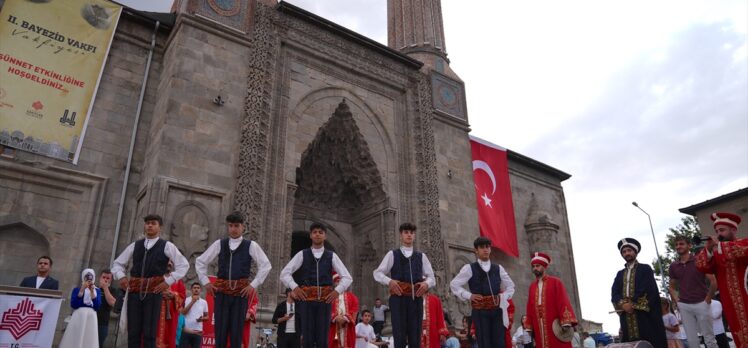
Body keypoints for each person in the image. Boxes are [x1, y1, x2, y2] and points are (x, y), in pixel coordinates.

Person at [195, 212, 272, 348]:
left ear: (243, 227)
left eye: (236, 226)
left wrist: (253, 285)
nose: (233, 229)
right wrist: (206, 282)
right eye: (230, 226)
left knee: (237, 333)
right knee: (220, 332)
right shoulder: (220, 244)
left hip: (240, 294)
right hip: (222, 293)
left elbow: (266, 265)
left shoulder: (251, 245)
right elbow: (200, 262)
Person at [111, 214, 189, 348]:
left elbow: (184, 265)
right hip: (135, 292)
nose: (150, 226)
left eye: (153, 223)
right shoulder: (135, 245)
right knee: (133, 332)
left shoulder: (166, 246)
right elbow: (117, 263)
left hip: (154, 293)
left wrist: (168, 281)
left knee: (150, 333)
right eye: (147, 223)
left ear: (160, 227)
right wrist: (121, 276)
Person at [280, 222, 353, 348]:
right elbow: (284, 273)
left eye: (320, 232)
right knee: (307, 338)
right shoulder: (303, 254)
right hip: (306, 301)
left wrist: (337, 291)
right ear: (311, 235)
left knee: (322, 339)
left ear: (325, 236)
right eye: (315, 232)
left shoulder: (332, 256)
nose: (317, 234)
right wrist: (295, 288)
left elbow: (347, 277)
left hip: (325, 302)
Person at [374, 223, 437, 348]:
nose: (409, 235)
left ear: (414, 236)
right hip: (398, 299)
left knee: (415, 336)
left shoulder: (421, 256)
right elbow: (377, 273)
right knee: (399, 335)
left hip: (416, 299)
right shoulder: (393, 254)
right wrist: (390, 282)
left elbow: (432, 278)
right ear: (401, 235)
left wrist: (426, 283)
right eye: (406, 232)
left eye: (412, 233)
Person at [450, 236, 515, 348]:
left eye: (487, 247)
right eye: (482, 247)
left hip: (497, 310)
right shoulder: (469, 268)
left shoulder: (498, 268)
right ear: (476, 250)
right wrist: (469, 295)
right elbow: (454, 285)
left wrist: (502, 297)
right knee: (484, 343)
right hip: (480, 311)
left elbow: (511, 287)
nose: (485, 249)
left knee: (499, 343)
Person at [696, 212, 748, 347]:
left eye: (722, 230)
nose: (718, 233)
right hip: (729, 301)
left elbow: (739, 251)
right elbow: (702, 267)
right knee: (739, 334)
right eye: (716, 231)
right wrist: (707, 249)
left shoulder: (744, 243)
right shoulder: (717, 252)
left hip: (746, 296)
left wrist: (718, 245)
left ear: (734, 230)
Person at [611, 238, 667, 348]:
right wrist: (623, 304)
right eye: (624, 251)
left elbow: (647, 289)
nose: (627, 253)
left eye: (629, 250)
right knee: (630, 344)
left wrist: (632, 304)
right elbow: (614, 292)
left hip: (643, 314)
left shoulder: (645, 269)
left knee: (649, 341)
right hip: (626, 316)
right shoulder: (619, 274)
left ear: (635, 252)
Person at [667, 235, 718, 348]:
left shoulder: (699, 260)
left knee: (709, 339)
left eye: (681, 244)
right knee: (692, 340)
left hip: (702, 302)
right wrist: (677, 300)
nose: (678, 246)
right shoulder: (673, 266)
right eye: (676, 245)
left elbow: (713, 282)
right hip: (684, 305)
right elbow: (671, 286)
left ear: (689, 246)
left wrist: (707, 300)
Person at [524, 252, 577, 348]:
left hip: (554, 323)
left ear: (544, 266)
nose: (535, 268)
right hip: (538, 324)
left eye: (538, 266)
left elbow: (563, 301)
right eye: (533, 266)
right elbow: (529, 307)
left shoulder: (556, 282)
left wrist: (566, 321)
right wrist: (529, 325)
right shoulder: (532, 287)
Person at [59, 268, 102, 348]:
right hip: (79, 315)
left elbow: (97, 306)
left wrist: (92, 292)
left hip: (91, 316)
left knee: (89, 337)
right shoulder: (77, 289)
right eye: (87, 277)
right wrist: (82, 289)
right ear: (83, 277)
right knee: (76, 336)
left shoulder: (97, 291)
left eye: (91, 277)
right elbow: (74, 304)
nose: (89, 280)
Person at [155, 262, 185, 348]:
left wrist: (174, 295)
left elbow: (182, 296)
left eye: (171, 262)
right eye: (167, 261)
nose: (169, 263)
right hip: (156, 312)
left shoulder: (177, 280)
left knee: (170, 336)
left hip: (171, 316)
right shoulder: (156, 278)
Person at [329, 273, 359, 348]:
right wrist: (335, 317)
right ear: (334, 283)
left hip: (348, 327)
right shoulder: (329, 296)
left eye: (341, 281)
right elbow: (326, 311)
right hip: (333, 327)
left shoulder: (352, 297)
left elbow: (354, 310)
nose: (339, 284)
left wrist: (345, 318)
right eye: (337, 281)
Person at [180, 282, 208, 348]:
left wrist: (202, 319)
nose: (196, 289)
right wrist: (192, 302)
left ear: (200, 290)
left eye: (198, 288)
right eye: (194, 288)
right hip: (186, 330)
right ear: (191, 289)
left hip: (198, 331)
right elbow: (183, 313)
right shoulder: (186, 300)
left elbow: (207, 317)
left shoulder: (204, 302)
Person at [96, 268, 118, 348]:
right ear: (100, 278)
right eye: (103, 277)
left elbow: (112, 303)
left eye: (108, 278)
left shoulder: (113, 290)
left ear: (111, 280)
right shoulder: (94, 288)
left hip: (102, 323)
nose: (105, 279)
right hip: (91, 321)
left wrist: (105, 288)